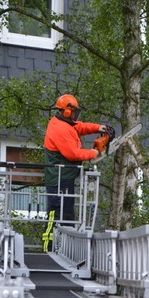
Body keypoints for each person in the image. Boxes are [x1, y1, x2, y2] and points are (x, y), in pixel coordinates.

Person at [43, 94, 113, 223]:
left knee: (65, 216)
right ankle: (54, 244)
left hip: (63, 179)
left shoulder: (63, 122)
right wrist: (93, 153)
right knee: (62, 218)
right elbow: (73, 154)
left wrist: (97, 127)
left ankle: (58, 242)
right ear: (68, 111)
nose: (76, 114)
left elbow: (79, 126)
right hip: (60, 181)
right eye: (74, 112)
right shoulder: (60, 129)